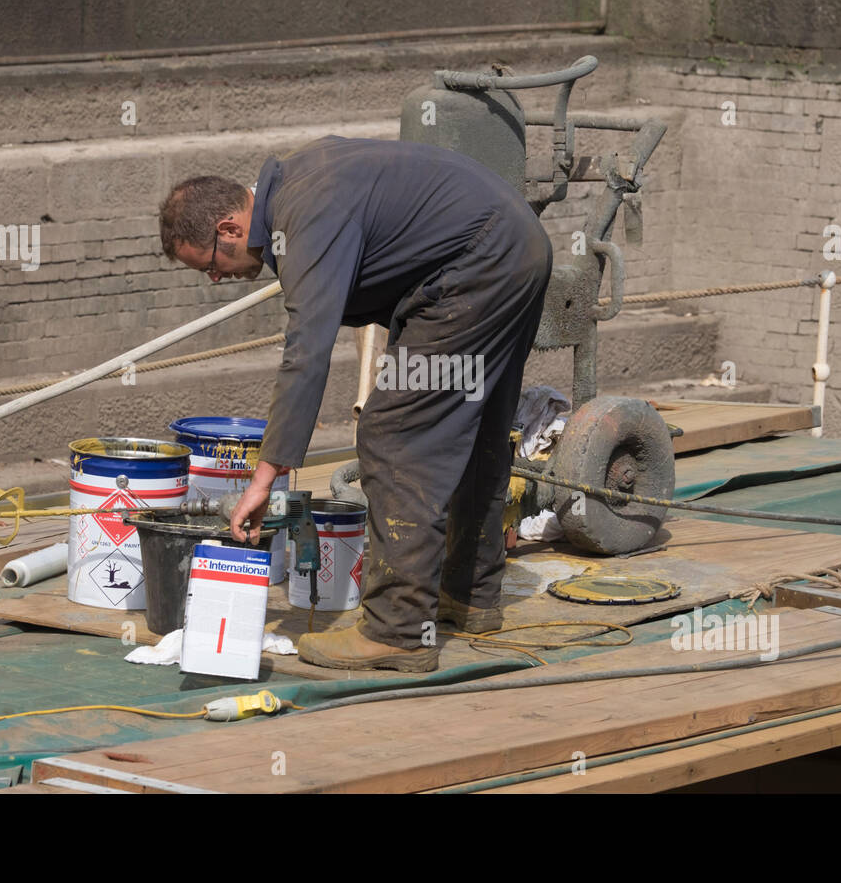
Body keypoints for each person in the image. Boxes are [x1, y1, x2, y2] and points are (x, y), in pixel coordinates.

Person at [159, 135, 552, 672]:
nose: (214, 277)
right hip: (517, 248)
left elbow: (308, 349)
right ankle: (469, 595)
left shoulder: (303, 215)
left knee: (396, 436)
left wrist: (264, 476)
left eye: (208, 262)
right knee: (476, 422)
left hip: (477, 269)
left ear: (229, 228)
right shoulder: (302, 184)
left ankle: (398, 631)